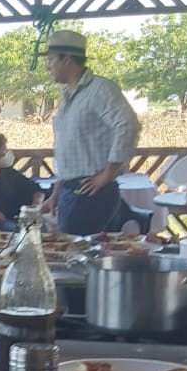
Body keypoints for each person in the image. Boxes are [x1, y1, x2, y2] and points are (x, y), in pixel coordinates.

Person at [40, 29, 140, 234]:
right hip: (71, 190)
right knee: (69, 249)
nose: (47, 67)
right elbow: (68, 152)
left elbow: (128, 124)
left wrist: (108, 174)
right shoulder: (67, 95)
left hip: (91, 191)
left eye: (51, 60)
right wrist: (55, 194)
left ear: (67, 59)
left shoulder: (100, 89)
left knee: (73, 250)